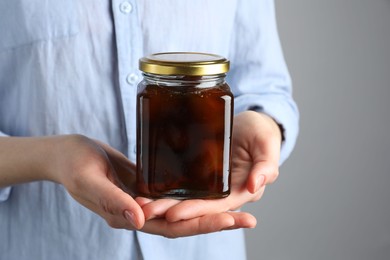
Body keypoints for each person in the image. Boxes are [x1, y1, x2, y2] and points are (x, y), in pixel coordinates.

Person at [0, 0, 299, 259]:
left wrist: (263, 123)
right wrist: (51, 157)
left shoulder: (217, 93)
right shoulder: (150, 91)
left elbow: (265, 86)